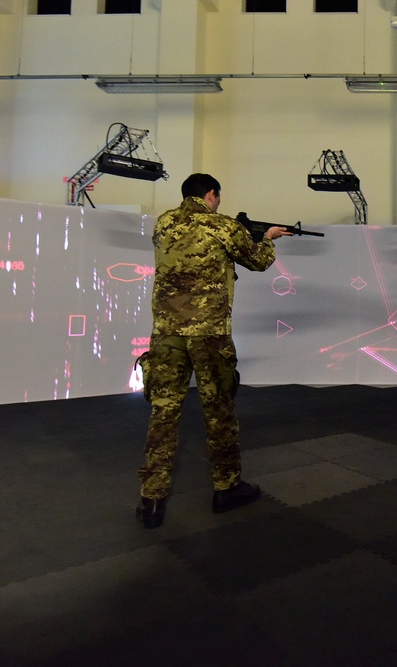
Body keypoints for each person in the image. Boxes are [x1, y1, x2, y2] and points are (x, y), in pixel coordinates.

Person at [135, 173, 292, 528]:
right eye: (217, 198)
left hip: (166, 333)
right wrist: (267, 239)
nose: (218, 203)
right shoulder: (222, 226)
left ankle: (152, 500)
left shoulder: (163, 224)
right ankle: (226, 487)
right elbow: (258, 262)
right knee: (219, 411)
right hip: (209, 334)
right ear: (210, 195)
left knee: (163, 412)